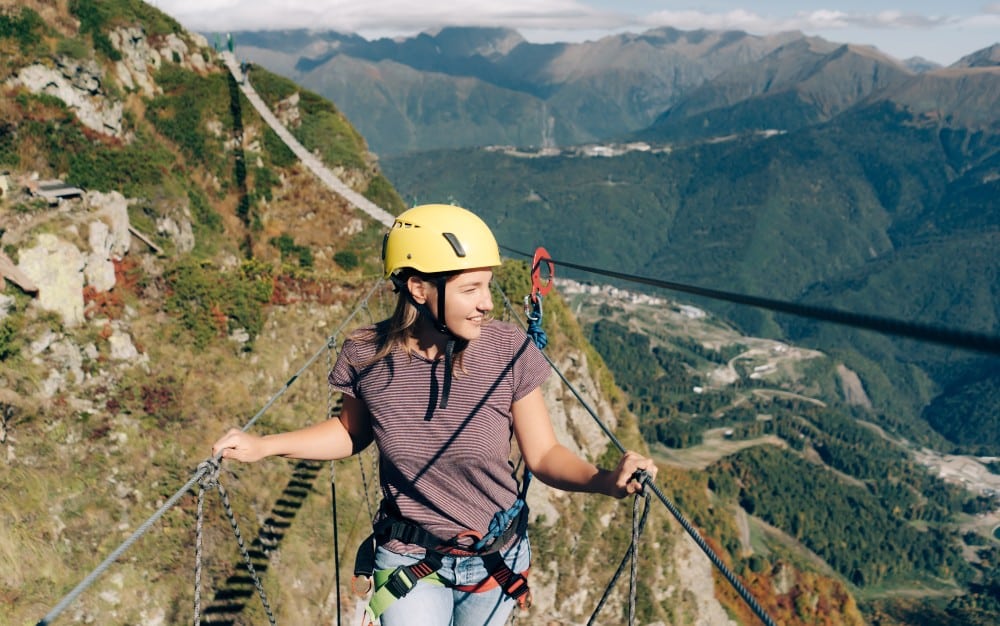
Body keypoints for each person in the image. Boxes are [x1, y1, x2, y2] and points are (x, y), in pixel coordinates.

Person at [212, 204, 658, 625]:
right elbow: (351, 433)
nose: (487, 302)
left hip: (492, 559)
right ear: (420, 288)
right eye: (470, 289)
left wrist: (606, 480)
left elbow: (543, 456)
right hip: (409, 556)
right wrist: (265, 446)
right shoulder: (366, 355)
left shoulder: (507, 349)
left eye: (487, 285)